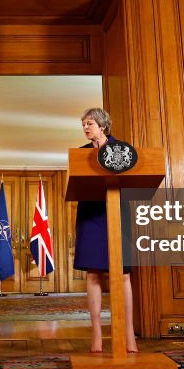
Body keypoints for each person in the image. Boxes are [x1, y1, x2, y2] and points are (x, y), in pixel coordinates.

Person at [73, 107, 138, 354]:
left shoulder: (123, 149)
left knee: (122, 274)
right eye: (84, 125)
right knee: (93, 273)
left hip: (118, 212)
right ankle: (97, 335)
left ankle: (128, 333)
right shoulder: (80, 155)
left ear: (103, 126)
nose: (86, 128)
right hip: (91, 214)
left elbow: (133, 179)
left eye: (90, 123)